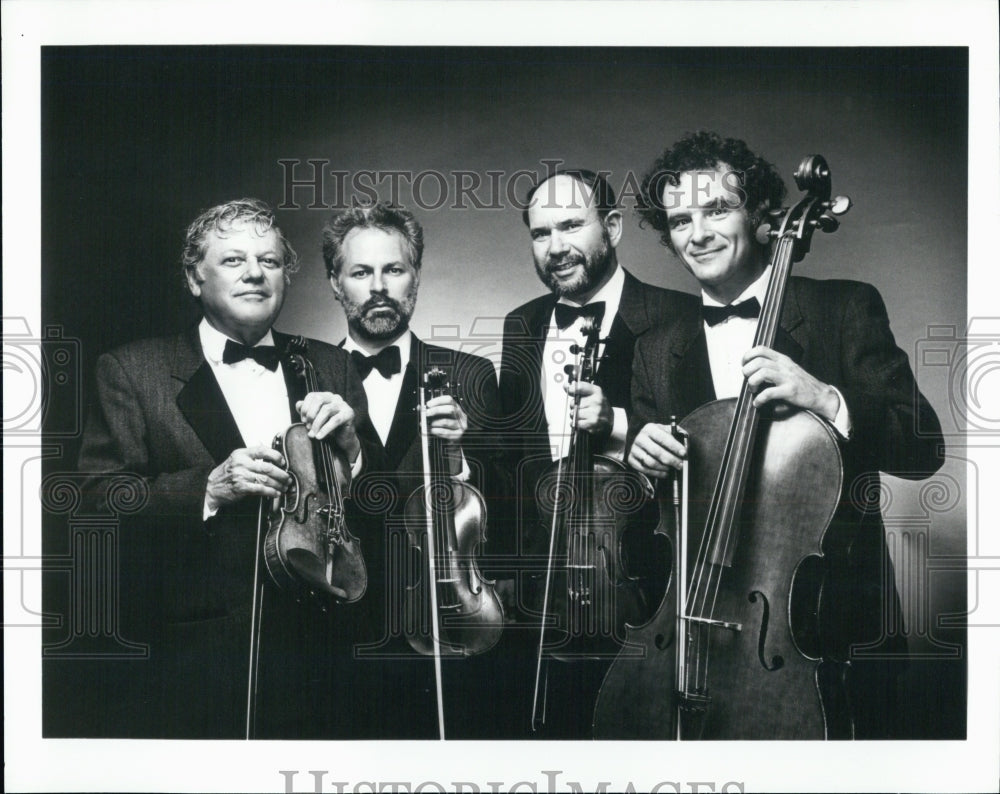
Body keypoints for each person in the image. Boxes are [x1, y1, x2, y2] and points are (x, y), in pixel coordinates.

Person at [626, 131, 945, 738]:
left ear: (764, 217)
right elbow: (648, 517)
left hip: (827, 635)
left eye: (717, 210)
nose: (698, 234)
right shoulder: (656, 350)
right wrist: (641, 461)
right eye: (679, 220)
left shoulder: (844, 308)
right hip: (694, 628)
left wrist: (827, 400)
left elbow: (924, 445)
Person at [76, 198, 372, 738]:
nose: (256, 273)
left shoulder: (332, 363)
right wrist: (207, 489)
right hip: (199, 651)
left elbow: (377, 507)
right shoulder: (132, 369)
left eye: (271, 260)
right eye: (234, 260)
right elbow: (99, 498)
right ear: (195, 278)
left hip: (325, 646)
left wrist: (352, 450)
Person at [496, 169, 692, 738]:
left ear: (612, 226)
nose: (556, 247)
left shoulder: (678, 315)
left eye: (572, 226)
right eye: (540, 233)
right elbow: (515, 456)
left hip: (641, 582)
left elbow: (706, 439)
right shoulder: (522, 325)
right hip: (544, 582)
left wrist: (619, 426)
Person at [322, 200, 504, 738]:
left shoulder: (471, 373)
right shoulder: (304, 377)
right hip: (339, 630)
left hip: (446, 616)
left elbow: (509, 499)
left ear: (416, 277)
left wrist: (461, 456)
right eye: (360, 272)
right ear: (335, 283)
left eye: (394, 269)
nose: (379, 286)